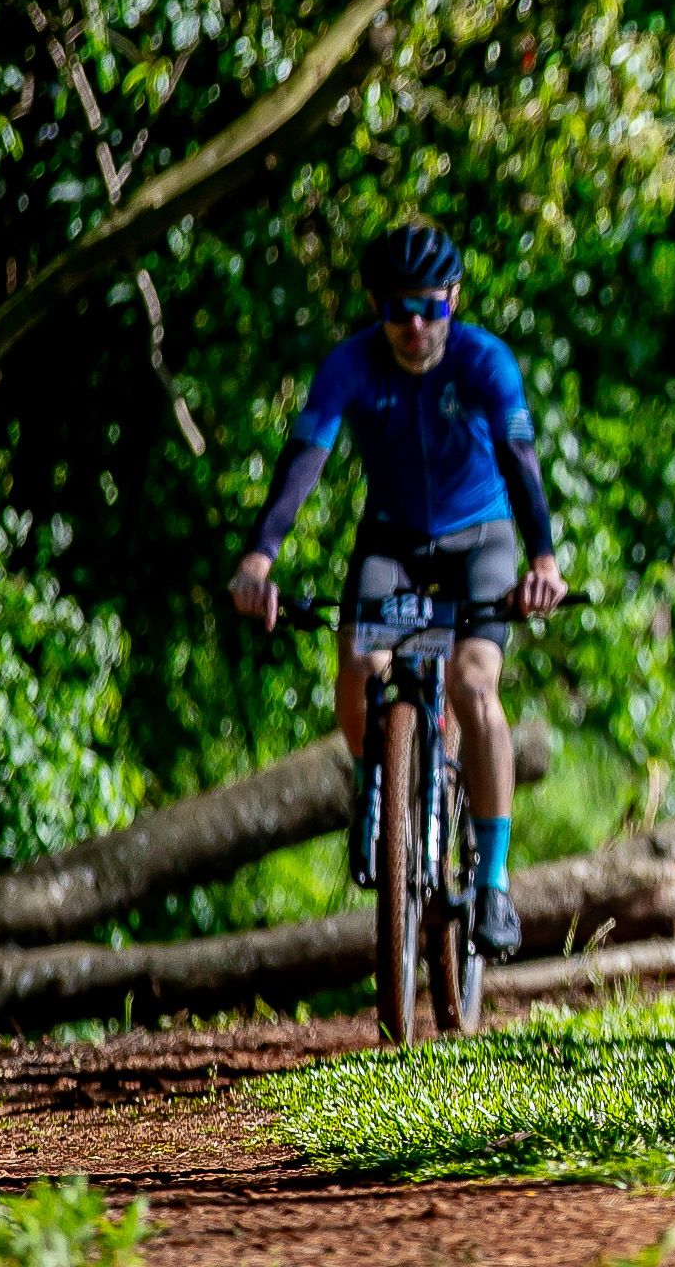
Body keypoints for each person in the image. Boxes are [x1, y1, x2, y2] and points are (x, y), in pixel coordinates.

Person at [229, 223, 568, 959]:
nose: (415, 327)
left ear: (454, 300)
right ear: (375, 307)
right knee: (358, 661)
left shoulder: (484, 360)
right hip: (392, 539)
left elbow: (520, 460)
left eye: (430, 308)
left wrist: (543, 560)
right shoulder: (350, 365)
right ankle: (372, 785)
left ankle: (494, 882)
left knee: (474, 684)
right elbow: (303, 460)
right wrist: (259, 559)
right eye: (397, 310)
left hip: (481, 537)